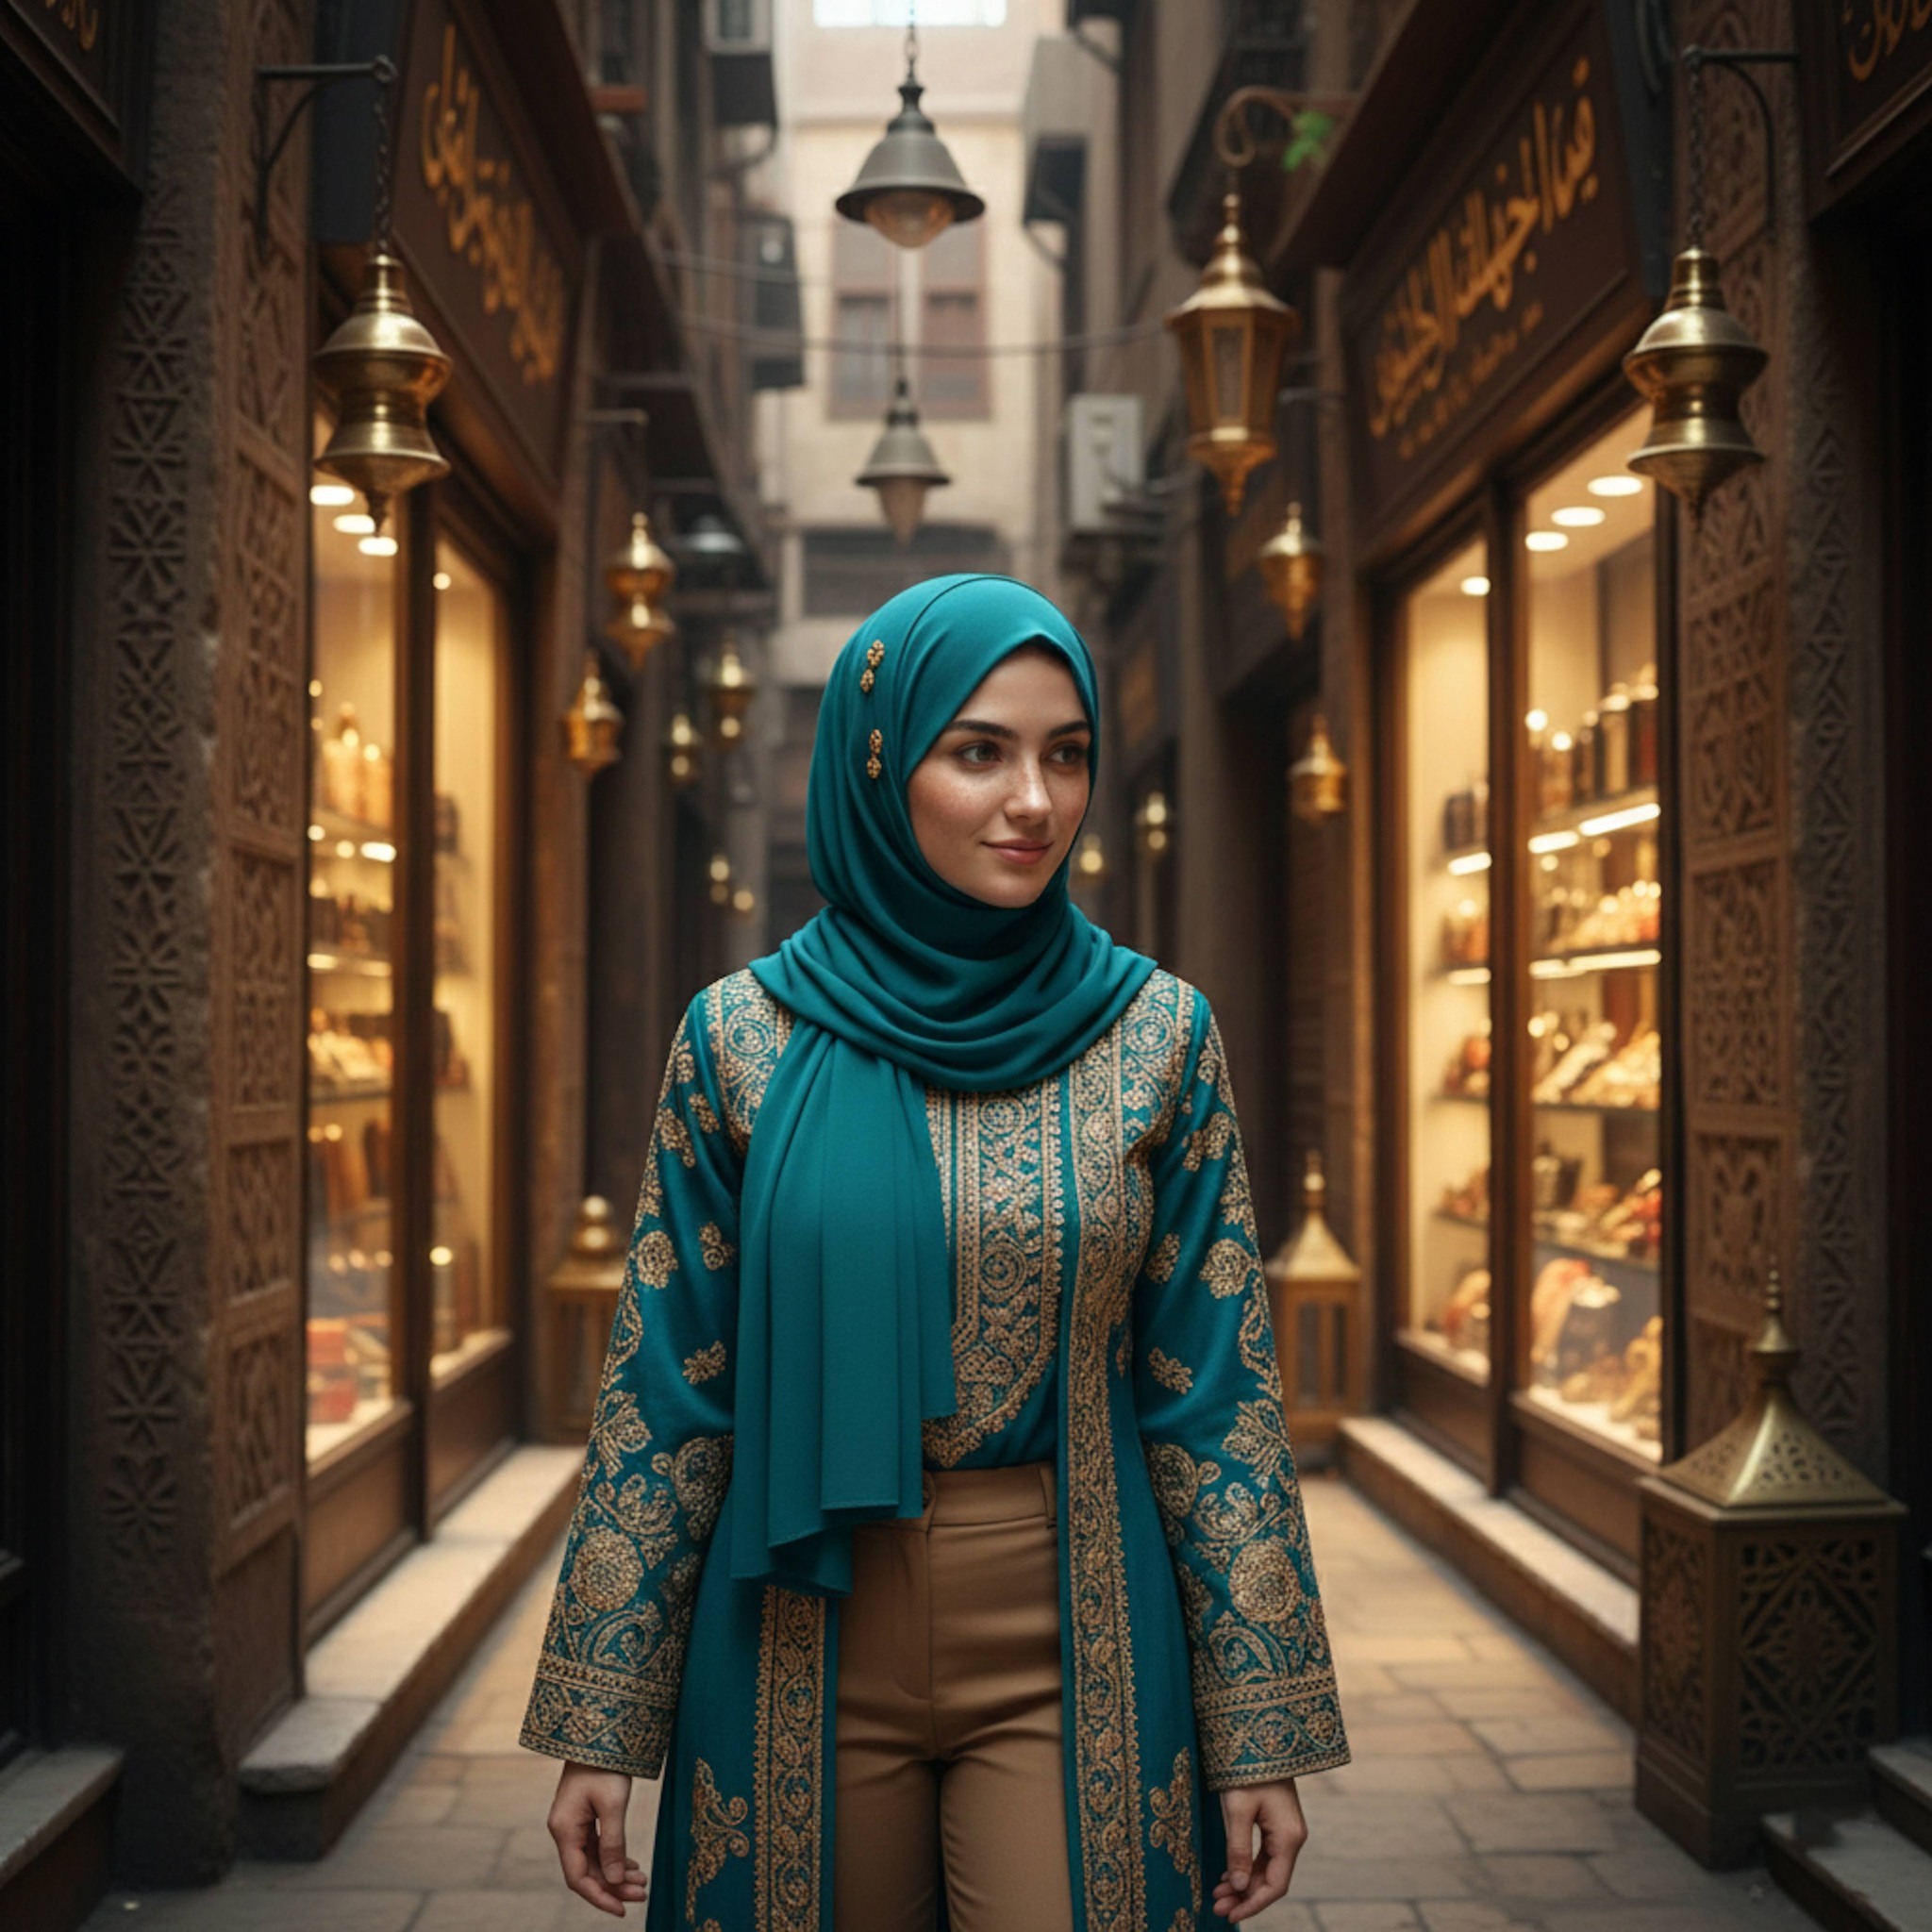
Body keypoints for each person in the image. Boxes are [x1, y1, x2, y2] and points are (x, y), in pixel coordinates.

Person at [521, 575, 1350, 1930]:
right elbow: (669, 1386)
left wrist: (1262, 1726)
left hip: (1073, 1622)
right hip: (798, 1613)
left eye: (1066, 754)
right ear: (877, 765)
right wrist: (602, 1719)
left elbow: (1217, 1395)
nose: (1035, 800)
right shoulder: (739, 1039)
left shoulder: (1158, 1036)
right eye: (979, 752)